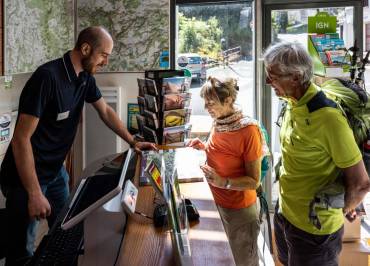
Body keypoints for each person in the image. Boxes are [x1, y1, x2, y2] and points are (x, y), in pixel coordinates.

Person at [0, 26, 156, 265]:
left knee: (66, 234)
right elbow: (21, 139)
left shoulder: (84, 77)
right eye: (104, 55)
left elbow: (105, 111)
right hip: (25, 178)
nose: (106, 62)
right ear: (85, 49)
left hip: (55, 173)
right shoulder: (47, 78)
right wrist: (34, 193)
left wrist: (133, 142)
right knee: (22, 253)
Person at [264, 41, 370, 266]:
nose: (267, 82)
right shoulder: (292, 102)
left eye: (273, 76)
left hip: (315, 230)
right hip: (285, 215)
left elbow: (361, 183)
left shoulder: (327, 118)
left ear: (295, 77)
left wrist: (345, 207)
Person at [187, 76, 268, 266]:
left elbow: (253, 181)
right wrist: (204, 147)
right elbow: (224, 152)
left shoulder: (248, 131)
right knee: (224, 257)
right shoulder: (220, 121)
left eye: (211, 103)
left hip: (239, 210)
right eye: (205, 103)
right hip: (216, 202)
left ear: (229, 100)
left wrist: (223, 181)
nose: (207, 108)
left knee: (243, 260)